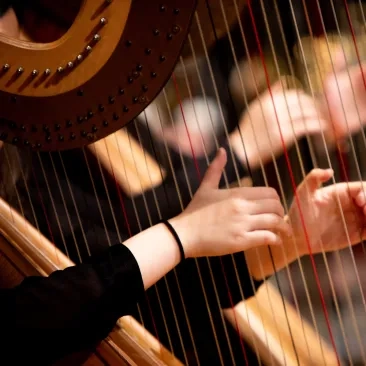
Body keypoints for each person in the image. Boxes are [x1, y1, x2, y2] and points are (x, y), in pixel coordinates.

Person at [2, 3, 366, 365]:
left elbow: (131, 279)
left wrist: (290, 241)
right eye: (11, 52)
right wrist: (238, 154)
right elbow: (102, 265)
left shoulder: (55, 122)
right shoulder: (24, 163)